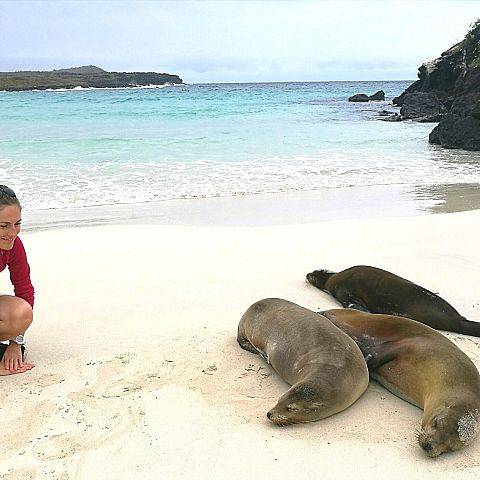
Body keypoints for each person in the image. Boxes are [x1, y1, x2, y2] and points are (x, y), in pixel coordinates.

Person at [0, 185, 35, 375]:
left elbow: (25, 291)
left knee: (22, 313)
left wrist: (16, 341)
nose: (13, 232)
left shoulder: (13, 245)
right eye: (4, 226)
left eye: (17, 223)